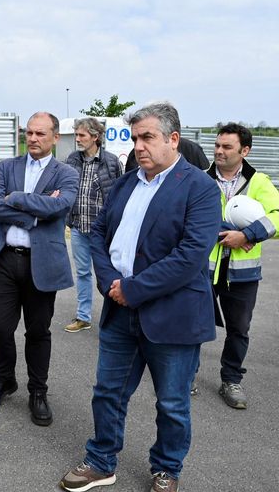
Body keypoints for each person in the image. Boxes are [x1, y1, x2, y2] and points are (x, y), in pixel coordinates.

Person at [60, 102, 221, 492]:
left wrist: (132, 288)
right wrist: (111, 282)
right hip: (120, 311)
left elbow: (190, 256)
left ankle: (166, 468)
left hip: (173, 315)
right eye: (135, 138)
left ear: (173, 139)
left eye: (147, 137)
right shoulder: (127, 182)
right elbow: (97, 233)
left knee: (172, 404)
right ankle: (101, 461)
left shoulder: (199, 187)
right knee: (108, 394)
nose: (139, 146)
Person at [0, 112, 78, 426]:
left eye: (40, 133)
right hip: (3, 260)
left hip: (41, 263)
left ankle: (38, 391)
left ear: (55, 137)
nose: (33, 138)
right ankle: (4, 379)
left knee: (38, 331)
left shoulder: (65, 173)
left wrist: (14, 199)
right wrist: (33, 210)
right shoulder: (6, 167)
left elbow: (60, 206)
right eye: (29, 133)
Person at [205, 122, 279, 409]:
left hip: (243, 275)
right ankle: (187, 376)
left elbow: (277, 215)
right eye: (217, 145)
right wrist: (225, 232)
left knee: (239, 329)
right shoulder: (201, 179)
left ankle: (231, 379)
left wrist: (247, 234)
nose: (219, 151)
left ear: (244, 150)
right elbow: (187, 217)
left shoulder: (259, 182)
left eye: (227, 147)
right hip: (205, 270)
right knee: (193, 324)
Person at [64, 118, 123, 333]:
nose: (78, 139)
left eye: (82, 135)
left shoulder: (112, 162)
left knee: (108, 272)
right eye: (77, 135)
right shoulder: (72, 159)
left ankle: (116, 319)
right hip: (79, 227)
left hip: (103, 231)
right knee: (82, 273)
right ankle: (83, 316)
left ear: (95, 137)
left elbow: (120, 195)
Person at [126, 136, 209, 172]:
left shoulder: (192, 150)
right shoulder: (135, 153)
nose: (138, 147)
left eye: (148, 137)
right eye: (134, 140)